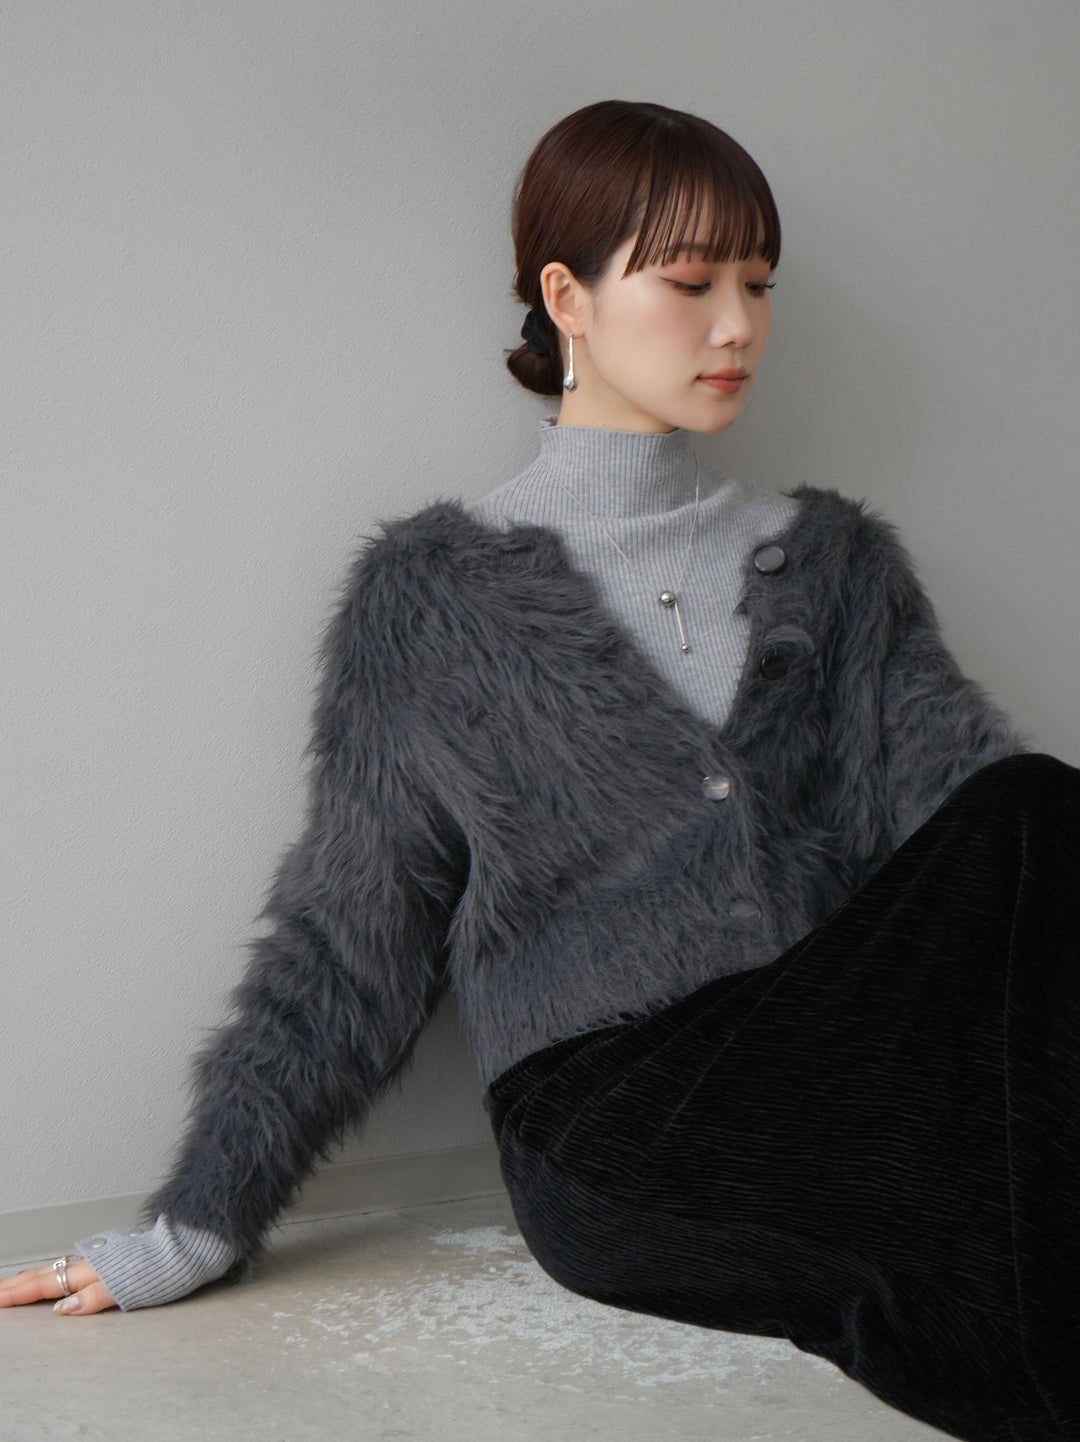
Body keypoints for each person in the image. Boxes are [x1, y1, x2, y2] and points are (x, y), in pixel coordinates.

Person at [3, 99, 1078, 1442]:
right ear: (568, 298)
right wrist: (196, 1222)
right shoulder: (434, 596)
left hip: (835, 1073)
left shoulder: (839, 566)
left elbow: (981, 845)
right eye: (690, 283)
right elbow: (352, 937)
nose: (737, 326)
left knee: (1033, 817)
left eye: (758, 285)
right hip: (613, 1119)